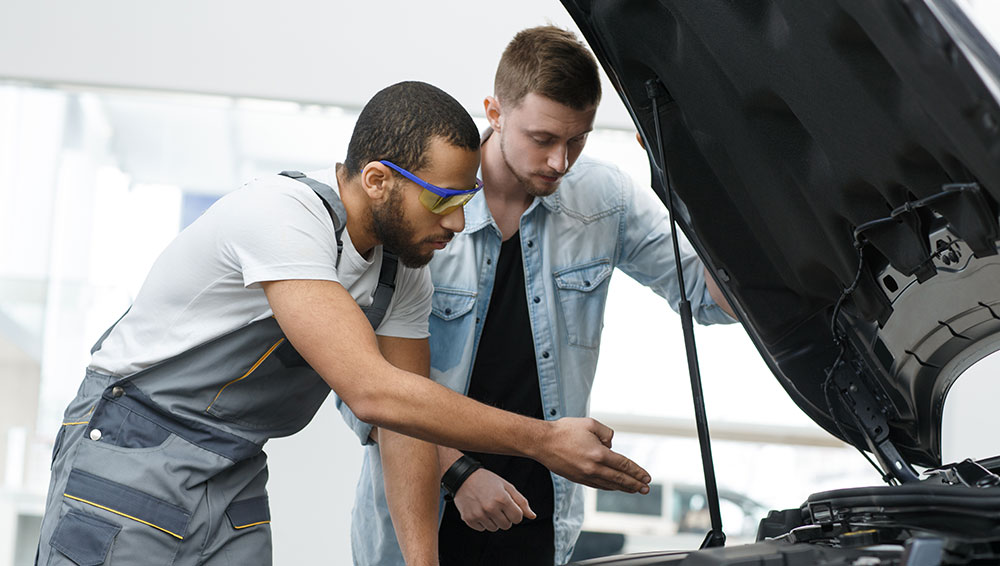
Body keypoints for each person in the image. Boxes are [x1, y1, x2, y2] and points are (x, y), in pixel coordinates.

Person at [34, 80, 651, 566]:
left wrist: (422, 563)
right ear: (379, 179)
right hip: (135, 445)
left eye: (465, 202)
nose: (459, 224)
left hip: (232, 467)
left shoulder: (402, 270)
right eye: (445, 200)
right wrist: (542, 440)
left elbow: (402, 420)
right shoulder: (283, 217)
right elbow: (370, 389)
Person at [339, 28, 737, 565]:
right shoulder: (415, 205)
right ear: (495, 111)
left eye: (577, 140)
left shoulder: (605, 201)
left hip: (539, 514)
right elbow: (360, 386)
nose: (559, 162)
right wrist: (459, 473)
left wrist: (696, 183)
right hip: (423, 510)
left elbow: (712, 297)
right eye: (543, 138)